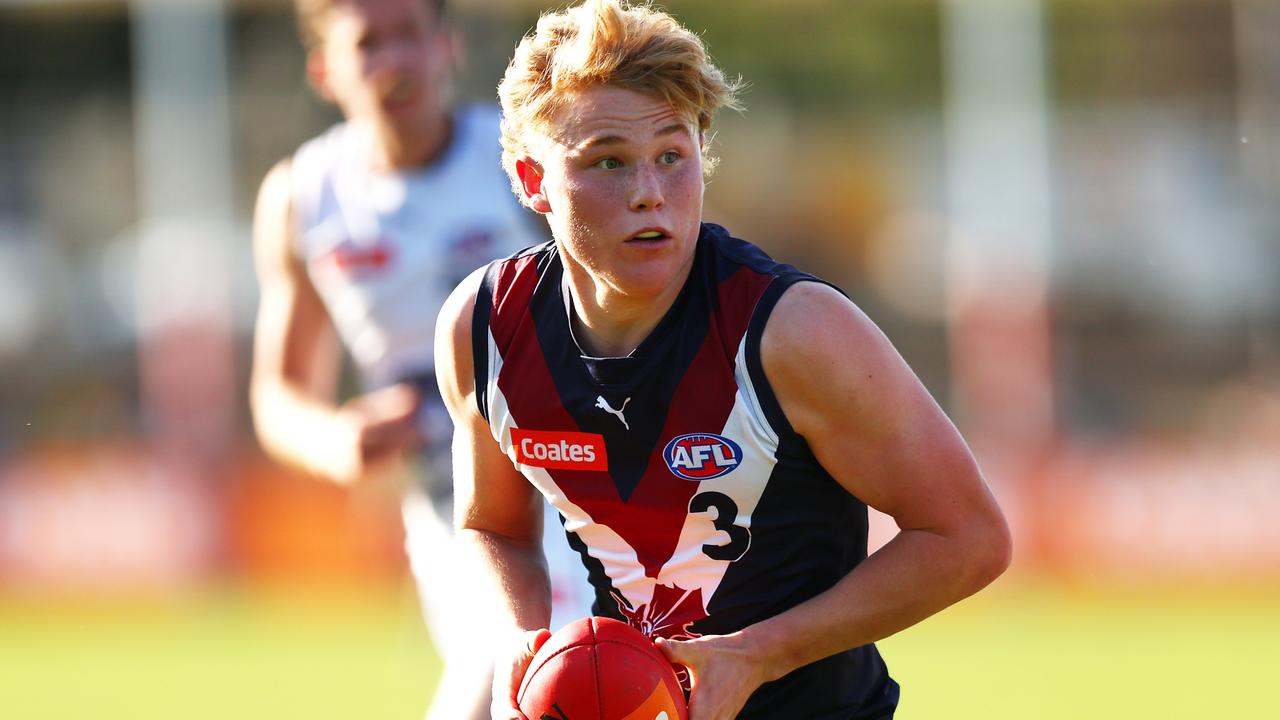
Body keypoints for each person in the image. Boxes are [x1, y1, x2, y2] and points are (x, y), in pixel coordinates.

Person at [433, 1, 1013, 718]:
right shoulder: (485, 327)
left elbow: (969, 537)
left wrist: (758, 652)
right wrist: (521, 636)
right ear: (530, 178)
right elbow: (492, 525)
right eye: (608, 161)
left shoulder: (794, 331)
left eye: (672, 157)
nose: (649, 194)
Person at [247, 1, 592, 718]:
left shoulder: (521, 163)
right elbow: (277, 397)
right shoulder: (304, 197)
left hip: (569, 476)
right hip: (447, 502)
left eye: (412, 37)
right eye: (371, 44)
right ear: (326, 71)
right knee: (515, 673)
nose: (397, 61)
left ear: (448, 49)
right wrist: (337, 438)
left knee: (521, 665)